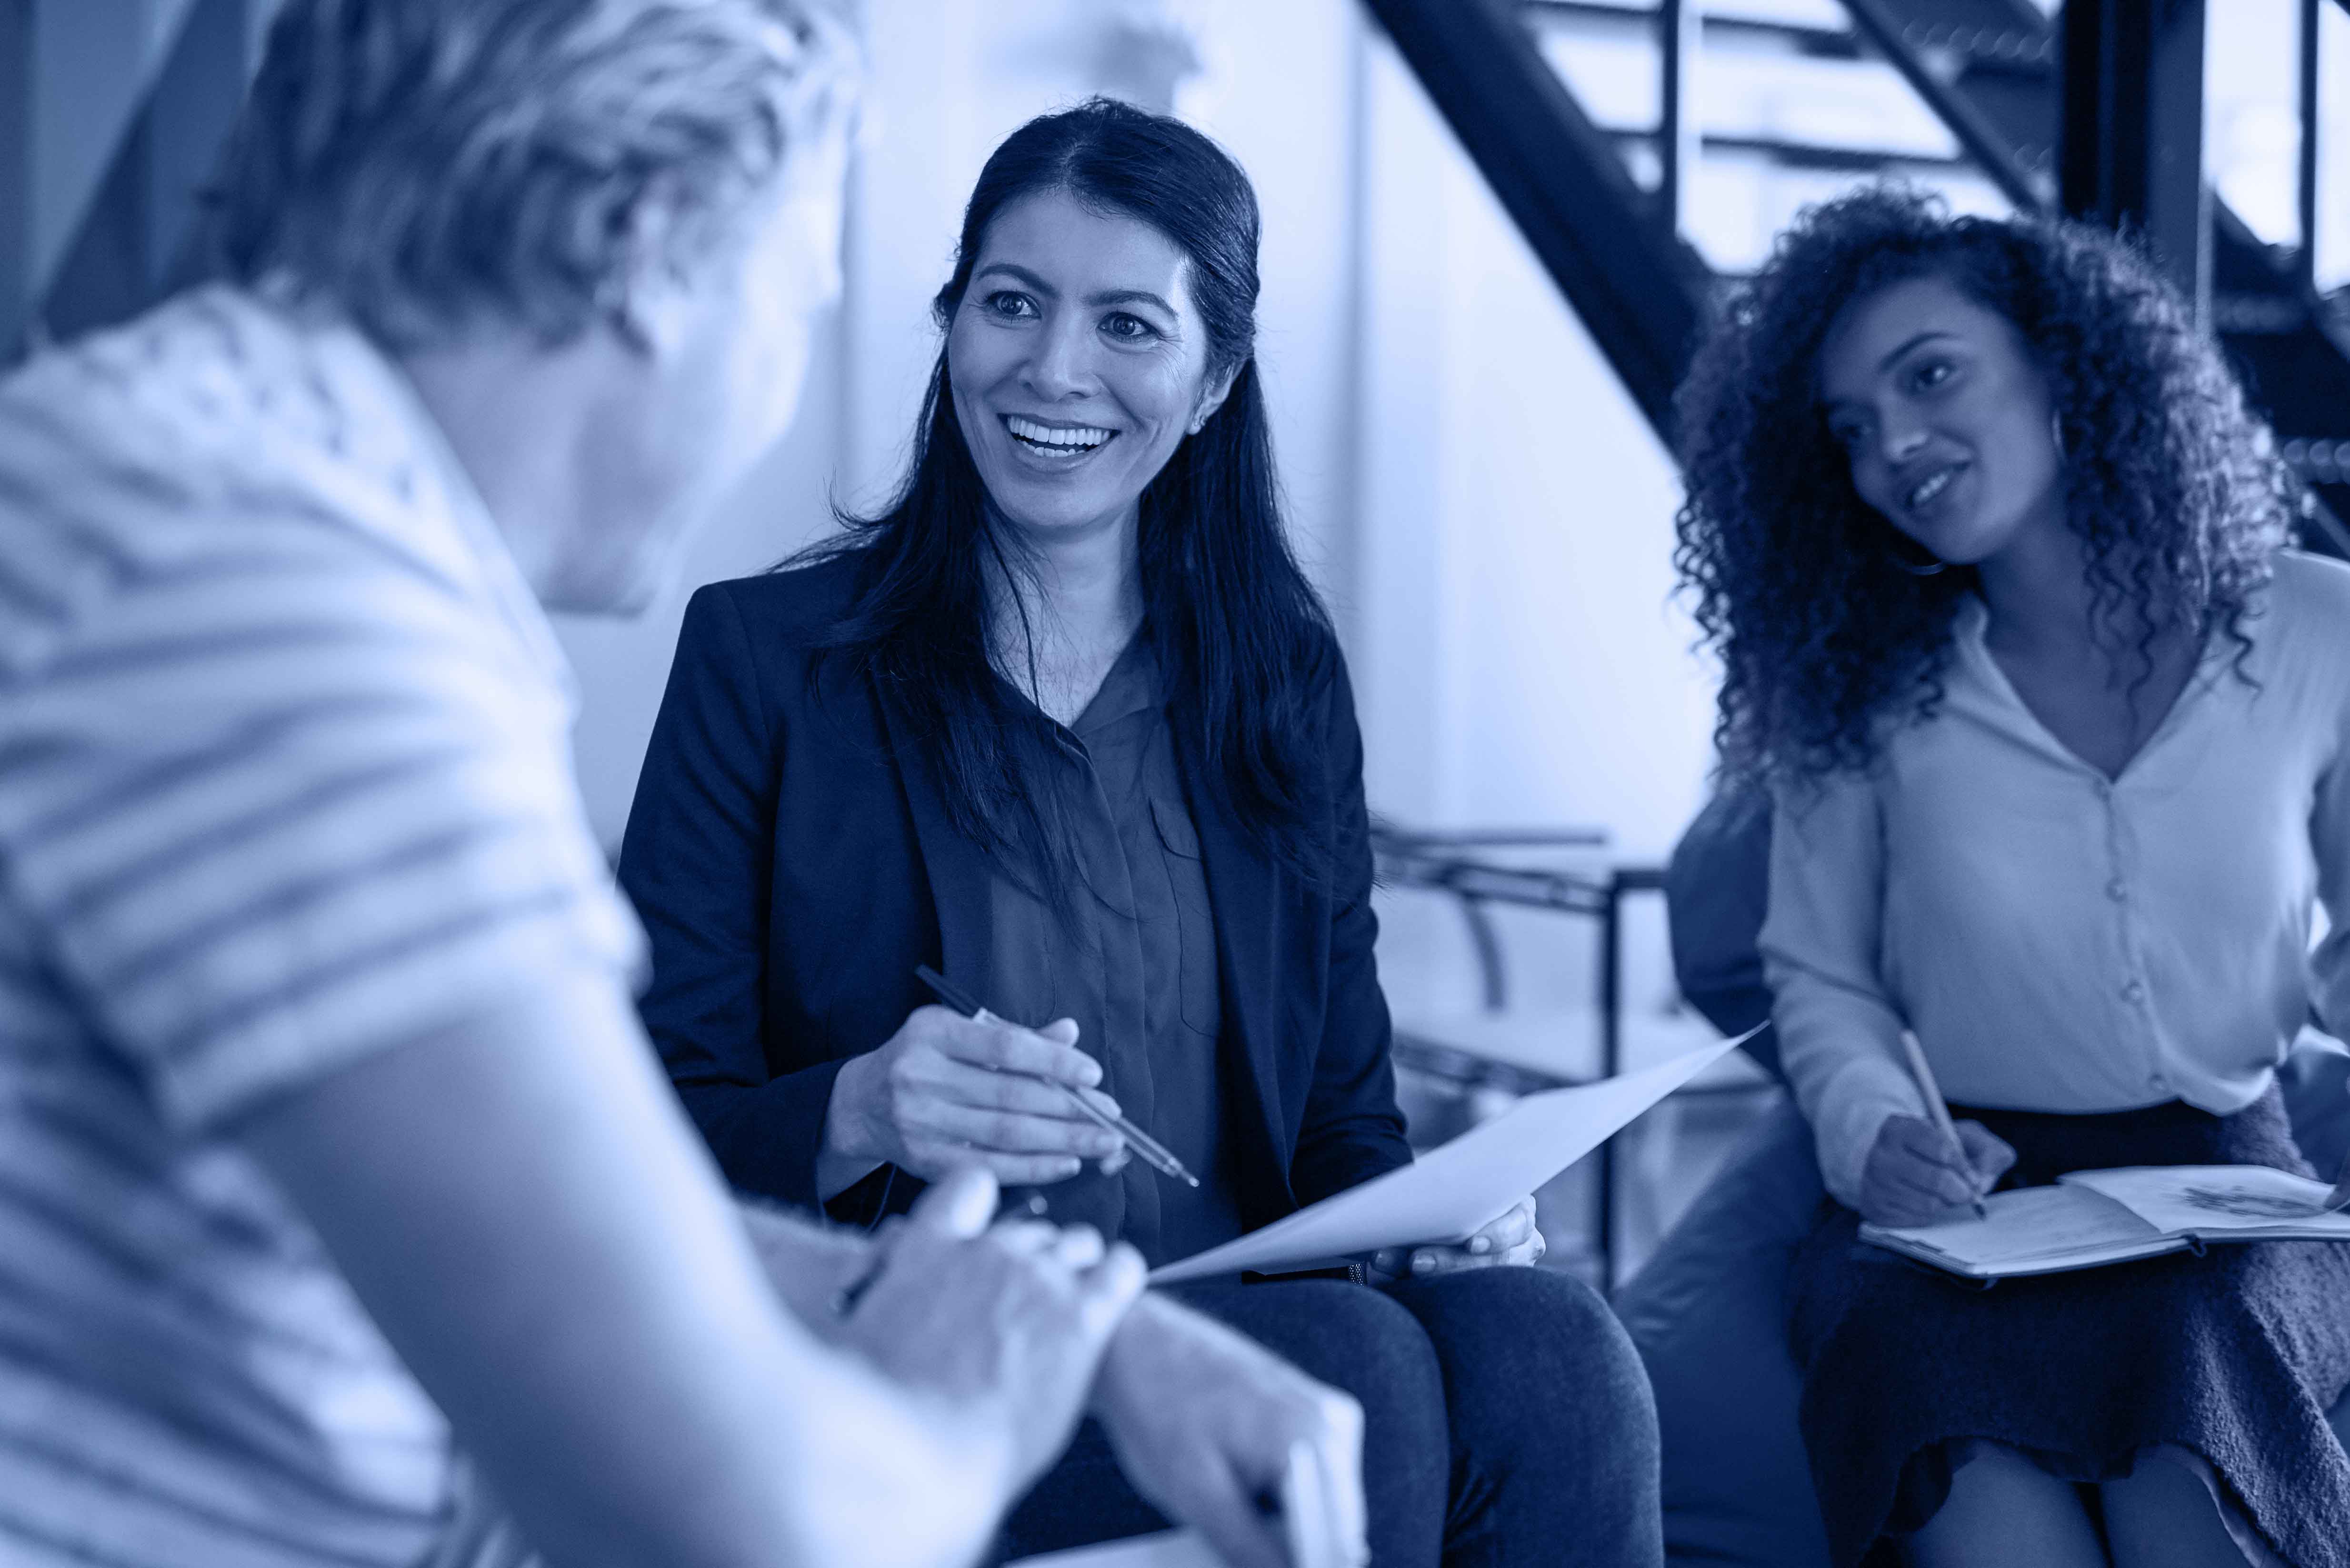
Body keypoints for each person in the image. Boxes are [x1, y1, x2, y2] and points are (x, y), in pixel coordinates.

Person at [0, 5, 1371, 1567]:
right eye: (801, 293)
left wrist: (1100, 1338)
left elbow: (542, 1216)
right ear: (653, 251)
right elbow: (771, 1536)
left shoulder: (189, 475)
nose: (782, 377)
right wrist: (977, 1398)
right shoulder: (283, 603)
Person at [620, 95, 1662, 1568]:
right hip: (932, 1356)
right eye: (1011, 303)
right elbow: (643, 1132)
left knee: (1554, 1348)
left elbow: (1339, 1123)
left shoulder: (1280, 681)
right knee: (1357, 1372)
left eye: (1128, 324)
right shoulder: (764, 662)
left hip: (1256, 1299)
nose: (1054, 369)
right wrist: (860, 1107)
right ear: (953, 325)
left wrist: (1435, 1217)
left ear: (1215, 378)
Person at [1673, 183, 2350, 1568]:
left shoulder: (2316, 629)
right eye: (1849, 428)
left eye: (1930, 376)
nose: (1892, 447)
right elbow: (1820, 976)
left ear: (2064, 364)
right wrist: (1875, 1136)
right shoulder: (1861, 687)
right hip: (1958, 1207)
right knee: (1973, 1471)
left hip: (2228, 1188)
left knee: (2191, 1439)